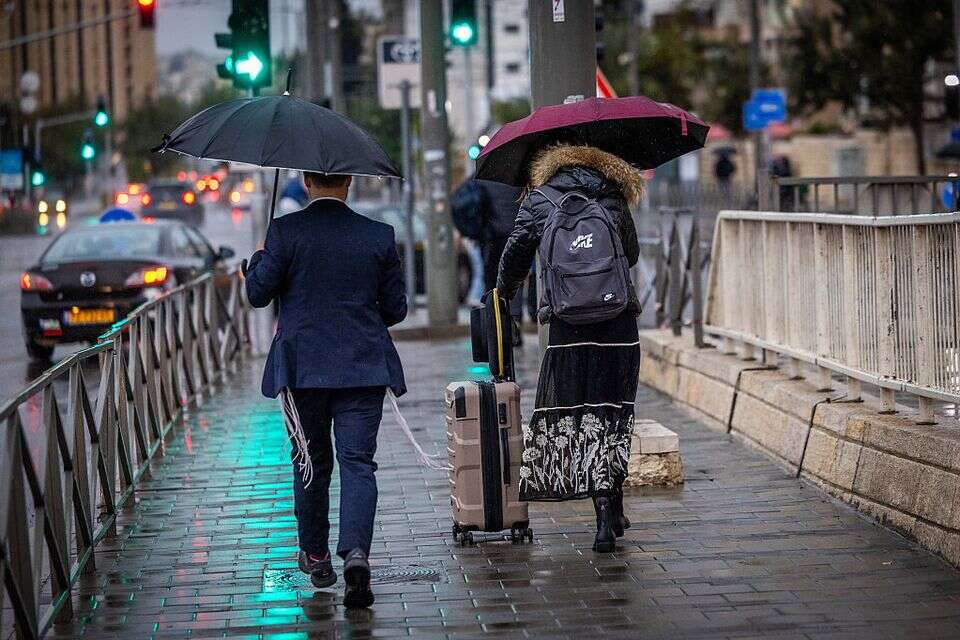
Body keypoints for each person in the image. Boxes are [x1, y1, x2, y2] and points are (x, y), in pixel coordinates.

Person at [244, 171, 407, 609]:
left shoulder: (284, 232)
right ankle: (356, 553)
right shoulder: (377, 235)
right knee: (357, 462)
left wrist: (258, 261)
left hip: (303, 371)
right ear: (349, 181)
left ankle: (316, 555)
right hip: (363, 367)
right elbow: (396, 310)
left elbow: (258, 295)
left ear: (306, 180)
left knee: (310, 461)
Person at [496, 144, 642, 552]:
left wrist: (501, 295)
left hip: (567, 325)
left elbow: (514, 259)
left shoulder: (539, 200)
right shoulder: (611, 196)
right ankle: (610, 509)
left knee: (578, 412)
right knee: (612, 411)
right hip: (617, 322)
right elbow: (629, 255)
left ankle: (598, 512)